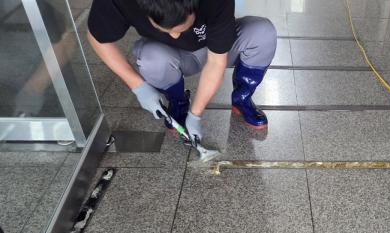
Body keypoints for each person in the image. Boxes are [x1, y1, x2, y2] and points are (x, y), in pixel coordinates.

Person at [87, 0, 277, 145]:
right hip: (169, 55)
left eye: (181, 27)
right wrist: (138, 86)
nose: (176, 35)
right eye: (167, 29)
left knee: (262, 32)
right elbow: (97, 38)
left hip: (216, 48)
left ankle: (242, 100)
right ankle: (177, 103)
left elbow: (216, 62)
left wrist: (195, 115)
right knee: (151, 58)